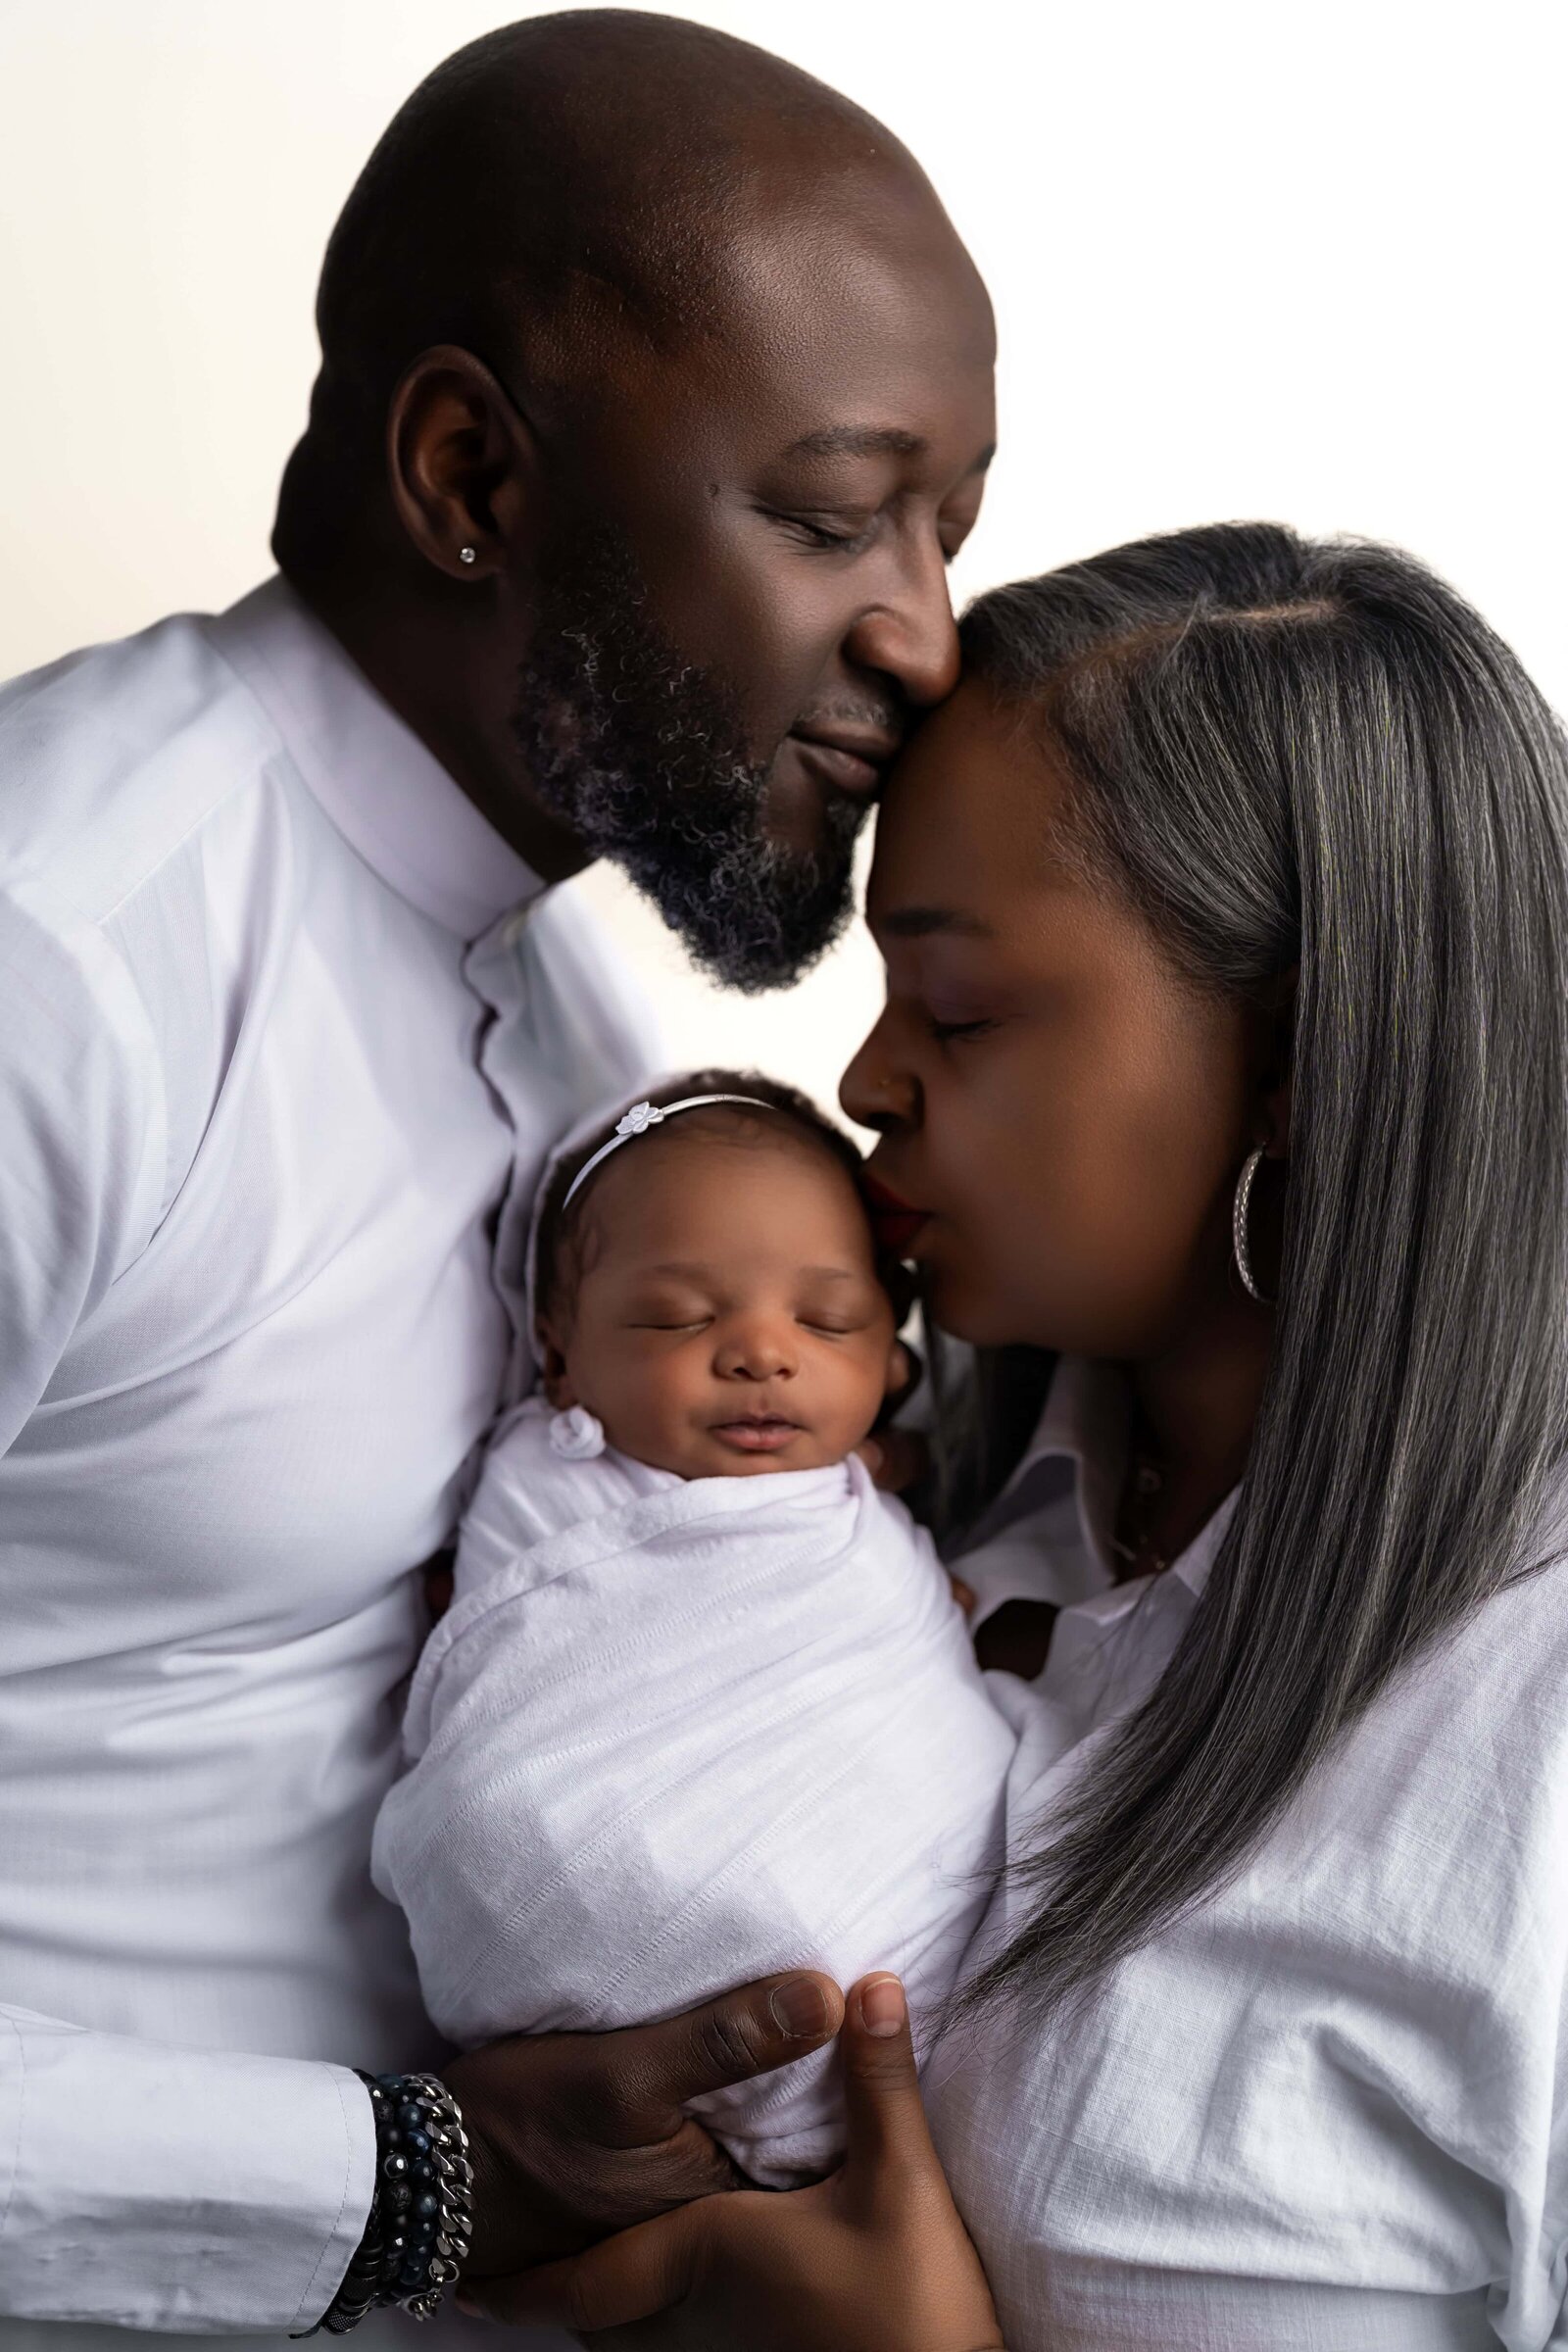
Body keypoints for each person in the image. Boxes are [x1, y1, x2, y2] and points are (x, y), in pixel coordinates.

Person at [0, 13, 995, 2345]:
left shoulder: (591, 1025)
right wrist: (416, 2180)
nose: (924, 635)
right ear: (469, 470)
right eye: (835, 508)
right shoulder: (58, 961)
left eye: (950, 525)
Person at [479, 522, 1568, 2350]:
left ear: (1300, 1059)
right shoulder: (843, 1494)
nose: (866, 1078)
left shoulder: (1519, 1729)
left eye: (961, 1004)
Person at [371, 1073, 1017, 2186]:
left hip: (907, 1996)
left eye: (826, 1321)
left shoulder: (871, 1513)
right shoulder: (544, 1482)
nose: (762, 1353)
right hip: (608, 1951)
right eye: (679, 1317)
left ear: (892, 1360)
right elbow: (520, 1710)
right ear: (559, 1351)